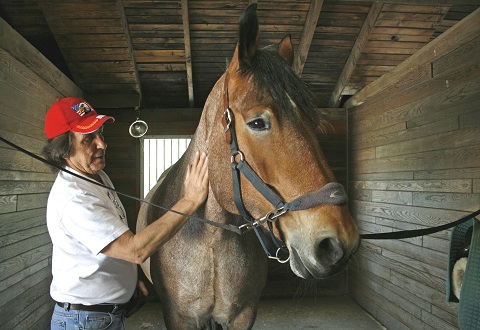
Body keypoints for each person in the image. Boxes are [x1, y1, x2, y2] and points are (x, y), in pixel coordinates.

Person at [42, 97, 209, 329]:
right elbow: (135, 250)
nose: (102, 144)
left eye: (101, 133)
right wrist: (190, 201)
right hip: (84, 322)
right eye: (88, 138)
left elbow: (110, 240)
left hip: (103, 315)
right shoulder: (74, 198)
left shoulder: (95, 176)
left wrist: (127, 280)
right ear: (62, 149)